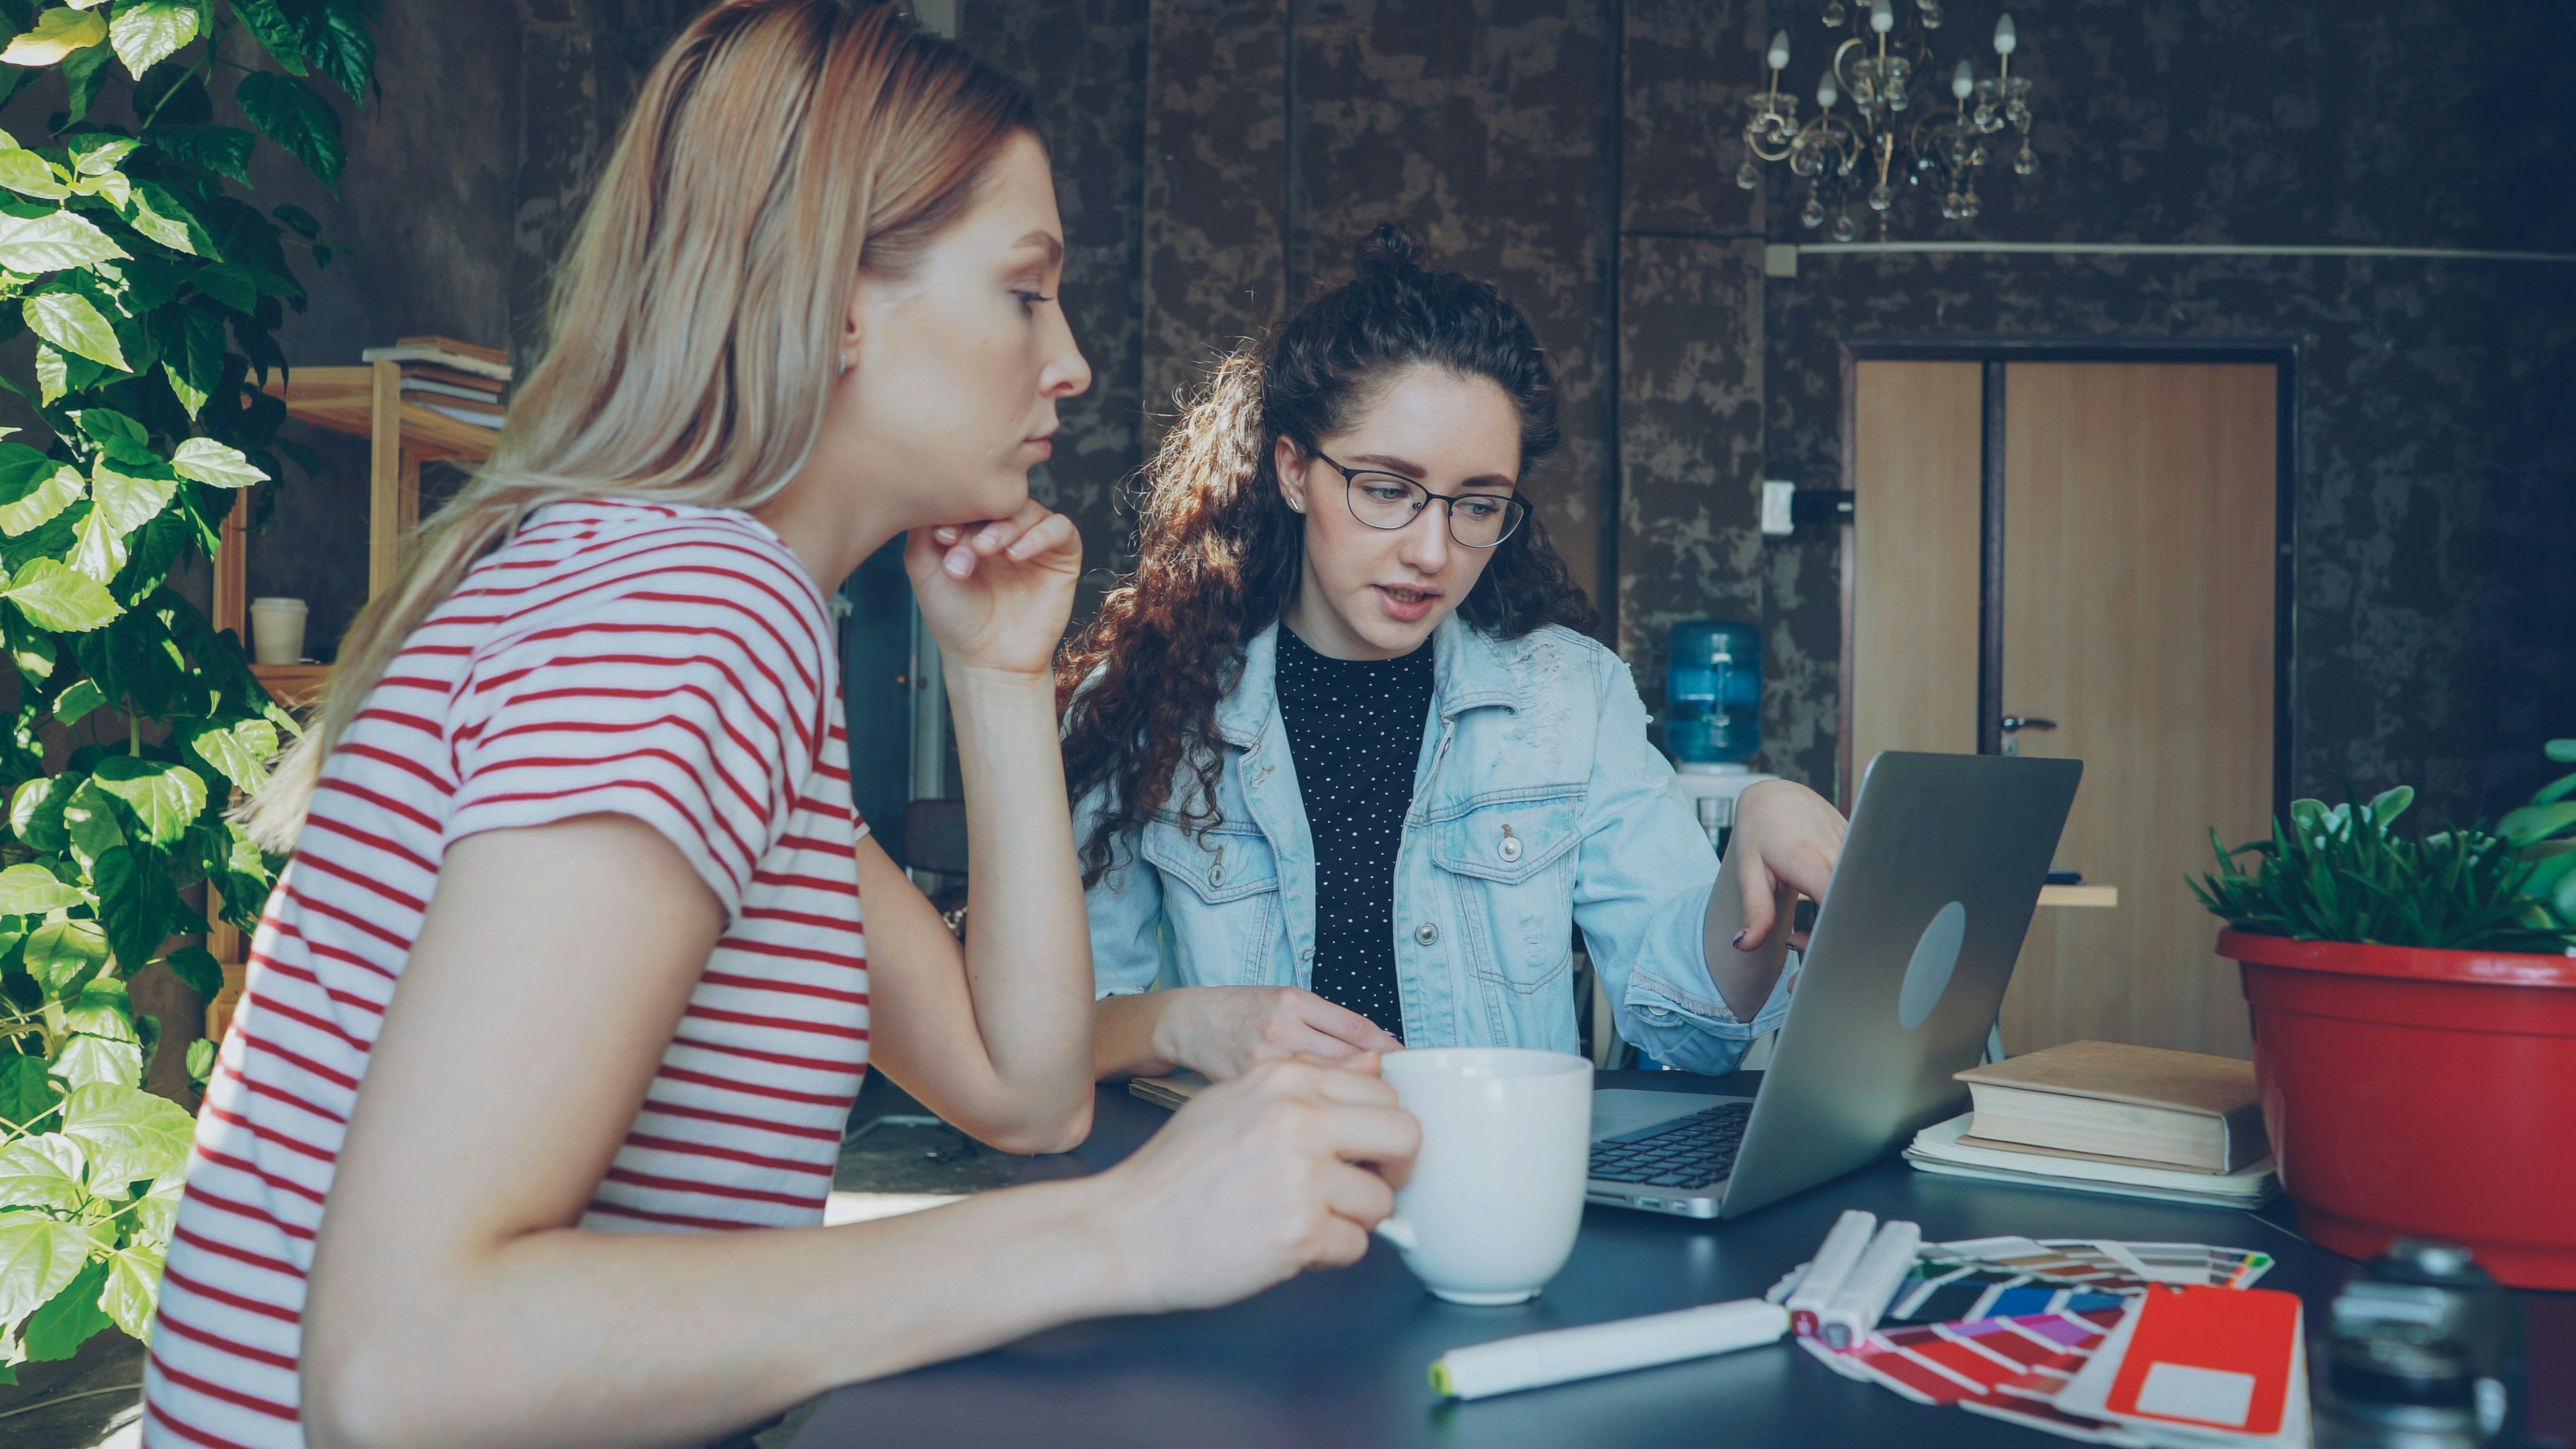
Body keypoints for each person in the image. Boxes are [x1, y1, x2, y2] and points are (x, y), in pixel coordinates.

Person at [150, 7, 1417, 1446]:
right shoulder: (692, 609)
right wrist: (1124, 1232)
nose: (1067, 360)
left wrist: (999, 679)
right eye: (1024, 292)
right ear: (834, 306)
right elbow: (403, 1370)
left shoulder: (684, 596)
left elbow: (1026, 1085)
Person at [1063, 226, 1850, 1084]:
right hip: (1252, 1199)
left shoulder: (1569, 698)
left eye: (1477, 505)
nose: (1432, 551)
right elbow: (1050, 1042)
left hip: (1497, 1202)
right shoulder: (1149, 704)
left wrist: (1752, 865)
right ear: (1292, 470)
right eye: (1388, 490)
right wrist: (1182, 1022)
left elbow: (1697, 1034)